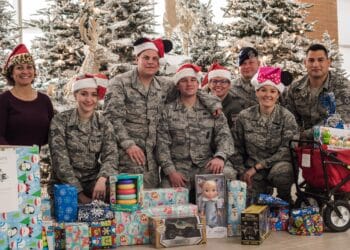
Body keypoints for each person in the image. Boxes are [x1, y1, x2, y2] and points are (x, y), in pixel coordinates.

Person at [104, 38, 221, 188]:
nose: (151, 62)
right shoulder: (119, 83)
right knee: (128, 197)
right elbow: (112, 118)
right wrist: (129, 145)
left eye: (155, 58)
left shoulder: (165, 85)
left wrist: (213, 103)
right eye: (146, 58)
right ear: (136, 59)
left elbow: (189, 88)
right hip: (125, 153)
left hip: (152, 156)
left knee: (150, 198)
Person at [156, 63, 236, 201]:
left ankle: (220, 218)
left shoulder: (212, 109)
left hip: (206, 164)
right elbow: (161, 145)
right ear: (177, 85)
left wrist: (220, 157)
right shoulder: (167, 111)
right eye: (184, 80)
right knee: (168, 193)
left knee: (228, 174)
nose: (189, 84)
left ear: (198, 83)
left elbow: (225, 136)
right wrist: (170, 171)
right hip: (179, 167)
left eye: (193, 80)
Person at [231, 66, 298, 203]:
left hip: (276, 166)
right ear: (257, 92)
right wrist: (242, 171)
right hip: (252, 169)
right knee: (250, 205)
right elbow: (236, 146)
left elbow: (287, 150)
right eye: (263, 90)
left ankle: (285, 199)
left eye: (273, 91)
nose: (268, 95)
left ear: (278, 95)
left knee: (283, 172)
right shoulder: (244, 116)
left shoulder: (287, 117)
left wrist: (258, 166)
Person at [49, 74, 118, 204]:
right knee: (70, 211)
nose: (89, 99)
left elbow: (111, 155)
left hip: (93, 180)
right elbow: (60, 162)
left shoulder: (103, 123)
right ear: (75, 95)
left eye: (93, 95)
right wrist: (80, 196)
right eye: (84, 94)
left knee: (117, 195)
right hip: (65, 183)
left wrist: (102, 179)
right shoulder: (60, 121)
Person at [285, 43, 350, 139]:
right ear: (305, 63)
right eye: (311, 60)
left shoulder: (342, 86)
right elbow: (290, 119)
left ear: (328, 62)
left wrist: (303, 135)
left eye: (320, 60)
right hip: (301, 145)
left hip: (333, 143)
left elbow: (339, 121)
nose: (315, 64)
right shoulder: (295, 88)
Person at [0, 44, 54, 146]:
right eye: (19, 68)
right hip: (7, 159)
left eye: (29, 67)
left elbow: (51, 133)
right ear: (11, 73)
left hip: (33, 160)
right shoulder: (3, 100)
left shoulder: (44, 100)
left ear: (34, 71)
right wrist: (15, 156)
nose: (25, 71)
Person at [206, 63, 241, 129]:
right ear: (209, 84)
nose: (218, 85)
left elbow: (235, 135)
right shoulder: (203, 104)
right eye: (214, 81)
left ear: (229, 85)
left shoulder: (235, 108)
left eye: (223, 81)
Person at [229, 47, 260, 115]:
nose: (247, 66)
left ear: (258, 63)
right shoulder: (229, 88)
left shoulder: (269, 85)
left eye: (251, 62)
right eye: (243, 63)